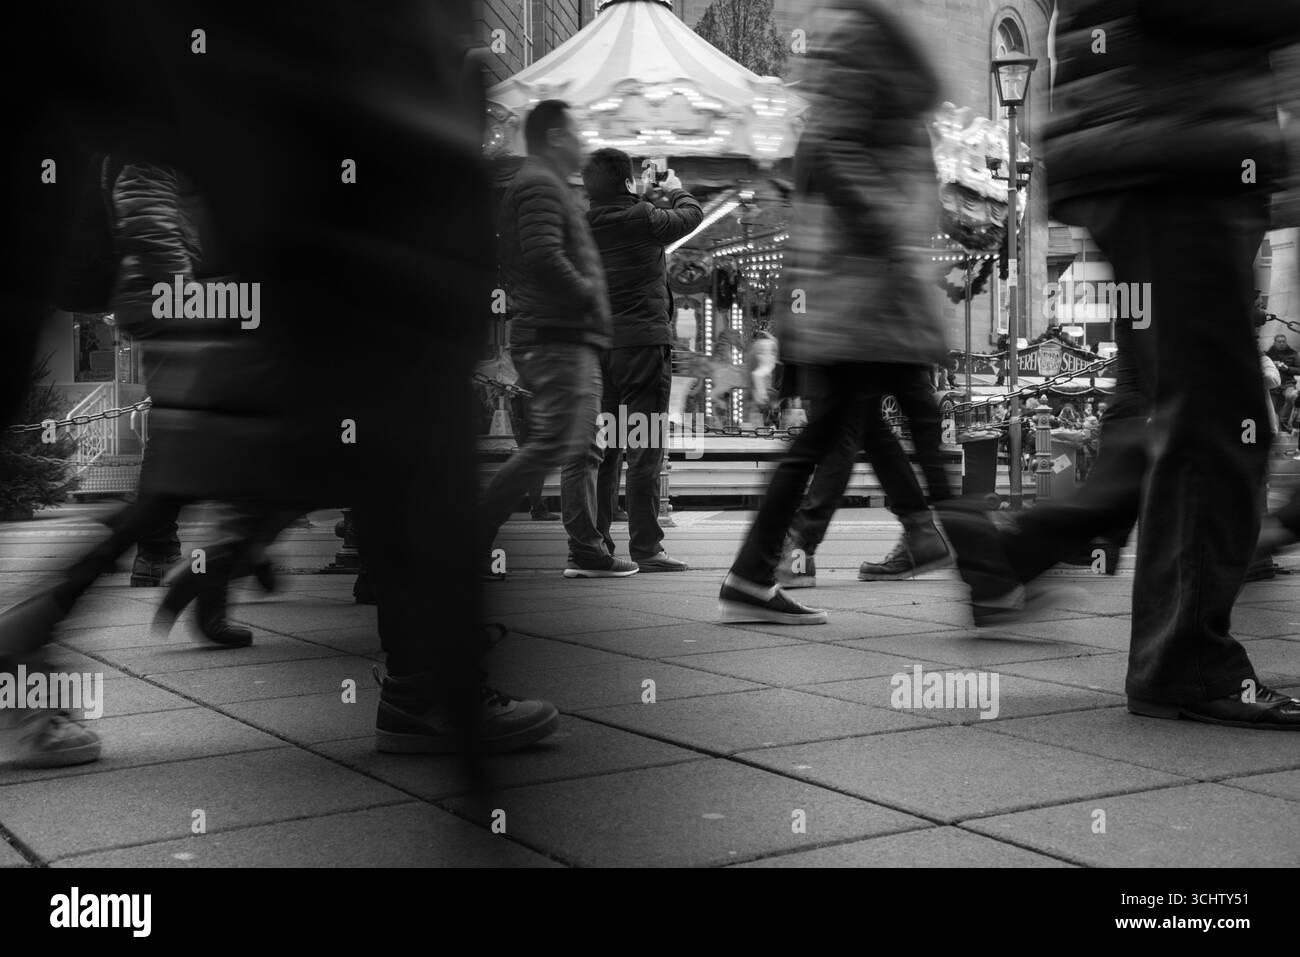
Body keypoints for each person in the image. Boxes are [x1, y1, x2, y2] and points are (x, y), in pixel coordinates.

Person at [1, 1, 560, 771]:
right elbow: (156, 183)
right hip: (228, 308)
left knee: (268, 471)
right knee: (243, 471)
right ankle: (421, 684)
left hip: (261, 294)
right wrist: (204, 305)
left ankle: (412, 676)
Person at [938, 0, 1300, 730]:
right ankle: (1185, 659)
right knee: (1213, 415)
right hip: (1176, 144)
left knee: (1161, 402)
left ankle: (1015, 552)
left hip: (1145, 139)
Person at [718, 0, 950, 624]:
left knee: (847, 433)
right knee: (855, 434)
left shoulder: (848, 98)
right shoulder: (854, 97)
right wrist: (899, 239)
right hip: (854, 311)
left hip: (848, 311)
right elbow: (855, 194)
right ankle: (954, 555)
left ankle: (765, 566)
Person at [484, 100, 637, 580]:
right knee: (555, 445)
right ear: (554, 137)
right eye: (576, 134)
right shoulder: (540, 185)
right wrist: (590, 296)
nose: (582, 145)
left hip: (563, 334)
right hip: (557, 335)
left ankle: (587, 550)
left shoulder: (543, 185)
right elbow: (544, 255)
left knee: (570, 445)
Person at [576, 147, 702, 572]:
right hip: (643, 348)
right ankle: (646, 548)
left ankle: (599, 544)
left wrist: (640, 194)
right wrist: (676, 190)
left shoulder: (581, 225)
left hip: (600, 350)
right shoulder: (644, 217)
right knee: (644, 447)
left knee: (607, 449)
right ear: (628, 182)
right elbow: (689, 217)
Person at [778, 375, 952, 588]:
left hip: (853, 351)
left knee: (846, 422)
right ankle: (920, 533)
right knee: (867, 420)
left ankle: (802, 543)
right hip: (868, 350)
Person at [1265, 333, 1298, 432]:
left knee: (1292, 395)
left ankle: (1284, 422)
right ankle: (1272, 428)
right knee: (1271, 407)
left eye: (1283, 341)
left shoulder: (1293, 353)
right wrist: (1272, 365)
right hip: (1273, 386)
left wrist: (1288, 369)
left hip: (1288, 384)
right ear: (1274, 342)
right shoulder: (1268, 355)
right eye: (1279, 342)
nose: (1282, 344)